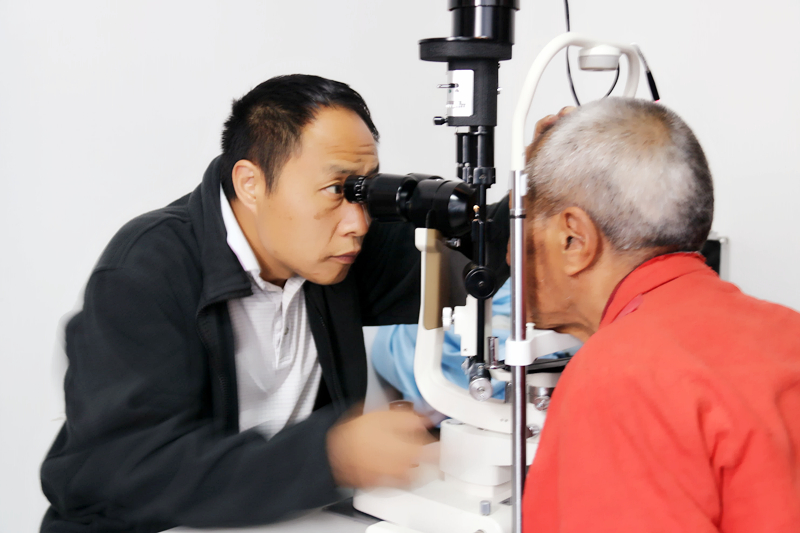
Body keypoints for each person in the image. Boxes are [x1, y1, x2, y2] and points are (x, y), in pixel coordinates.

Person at [40, 74, 510, 533]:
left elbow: (481, 249)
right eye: (336, 190)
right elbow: (124, 472)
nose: (359, 223)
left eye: (362, 191)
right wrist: (330, 456)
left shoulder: (336, 249)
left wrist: (536, 193)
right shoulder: (145, 271)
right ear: (250, 183)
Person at [520, 98, 800, 532]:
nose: (510, 252)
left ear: (573, 240)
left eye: (521, 221)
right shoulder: (787, 329)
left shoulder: (617, 377)